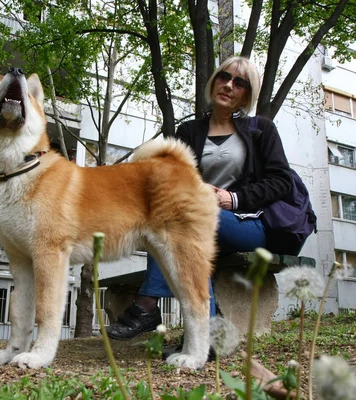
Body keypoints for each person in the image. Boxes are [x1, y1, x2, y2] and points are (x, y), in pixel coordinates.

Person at [106, 56, 292, 340]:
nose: (228, 85)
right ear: (214, 81)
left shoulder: (260, 130)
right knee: (176, 223)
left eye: (239, 83)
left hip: (246, 223)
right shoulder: (189, 132)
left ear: (247, 95)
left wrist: (234, 198)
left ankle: (148, 305)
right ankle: (208, 332)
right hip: (195, 223)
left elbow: (281, 181)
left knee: (180, 221)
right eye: (224, 77)